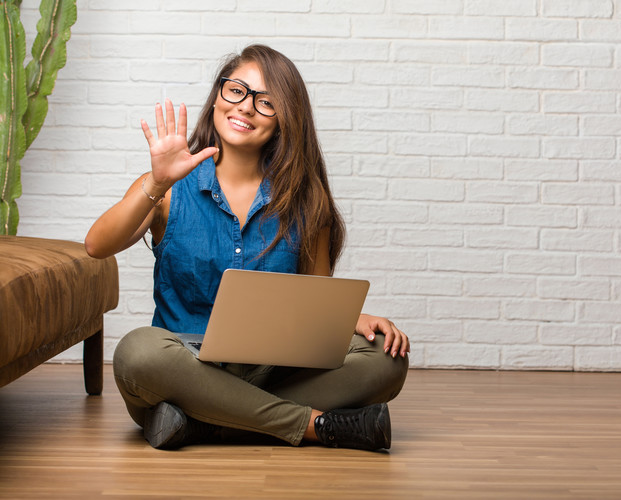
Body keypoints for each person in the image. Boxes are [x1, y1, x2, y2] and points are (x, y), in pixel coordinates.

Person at [85, 44, 409, 451]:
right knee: (138, 353)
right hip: (183, 367)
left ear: (286, 119)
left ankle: (202, 423)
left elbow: (314, 302)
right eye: (236, 90)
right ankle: (314, 425)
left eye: (266, 101)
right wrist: (157, 182)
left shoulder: (306, 200)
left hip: (274, 369)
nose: (246, 107)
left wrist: (353, 318)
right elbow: (97, 245)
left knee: (386, 357)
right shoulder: (168, 189)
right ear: (218, 96)